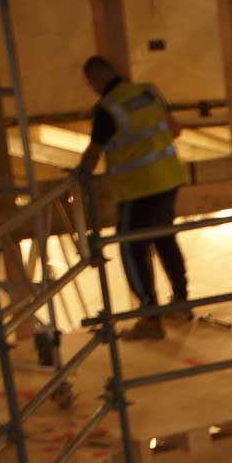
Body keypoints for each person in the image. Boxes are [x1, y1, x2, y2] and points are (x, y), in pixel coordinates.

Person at [78, 55, 189, 342]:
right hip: (168, 178)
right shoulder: (148, 91)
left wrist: (79, 175)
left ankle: (150, 317)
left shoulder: (106, 109)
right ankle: (181, 303)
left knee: (131, 248)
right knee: (165, 238)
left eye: (90, 83)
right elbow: (175, 129)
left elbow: (93, 153)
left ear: (96, 80)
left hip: (137, 189)